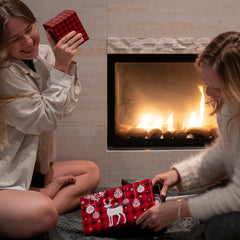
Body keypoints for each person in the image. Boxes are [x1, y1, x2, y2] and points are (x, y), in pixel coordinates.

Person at [0, 0, 100, 238]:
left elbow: (64, 109)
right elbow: (45, 120)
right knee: (44, 213)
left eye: (28, 29)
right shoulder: (4, 74)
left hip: (31, 167)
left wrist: (64, 64)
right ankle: (36, 205)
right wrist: (61, 68)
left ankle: (31, 204)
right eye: (15, 39)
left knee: (90, 171)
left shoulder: (43, 55)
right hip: (5, 176)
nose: (28, 41)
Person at [136, 31, 240, 240]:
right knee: (206, 196)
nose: (209, 93)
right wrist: (179, 174)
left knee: (223, 228)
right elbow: (228, 151)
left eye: (217, 87)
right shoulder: (231, 104)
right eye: (206, 83)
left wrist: (177, 209)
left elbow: (237, 196)